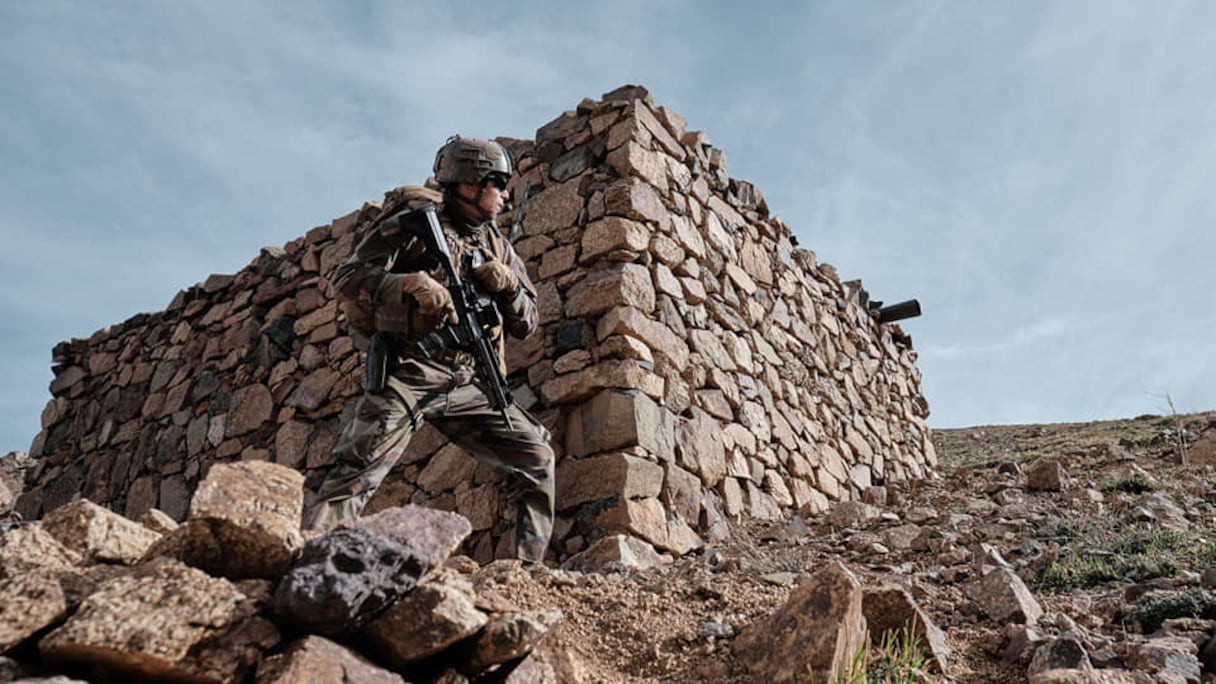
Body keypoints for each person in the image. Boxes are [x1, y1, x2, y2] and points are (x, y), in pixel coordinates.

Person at [303, 135, 555, 565]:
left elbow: (527, 325)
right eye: (498, 182)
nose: (506, 193)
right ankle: (306, 558)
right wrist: (406, 285)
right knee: (357, 469)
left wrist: (509, 286)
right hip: (410, 369)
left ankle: (524, 575)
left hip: (469, 381)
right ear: (469, 184)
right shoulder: (415, 220)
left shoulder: (499, 248)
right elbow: (345, 277)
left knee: (537, 456)